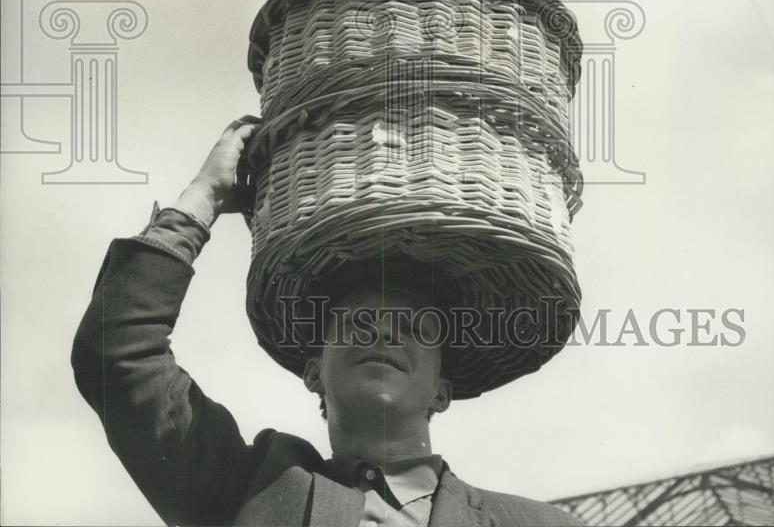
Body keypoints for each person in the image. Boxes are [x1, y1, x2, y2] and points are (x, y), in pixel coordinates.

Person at [72, 116, 583, 527]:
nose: (383, 332)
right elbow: (117, 356)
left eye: (416, 326)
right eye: (358, 321)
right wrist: (204, 196)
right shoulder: (245, 489)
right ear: (314, 371)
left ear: (442, 391)